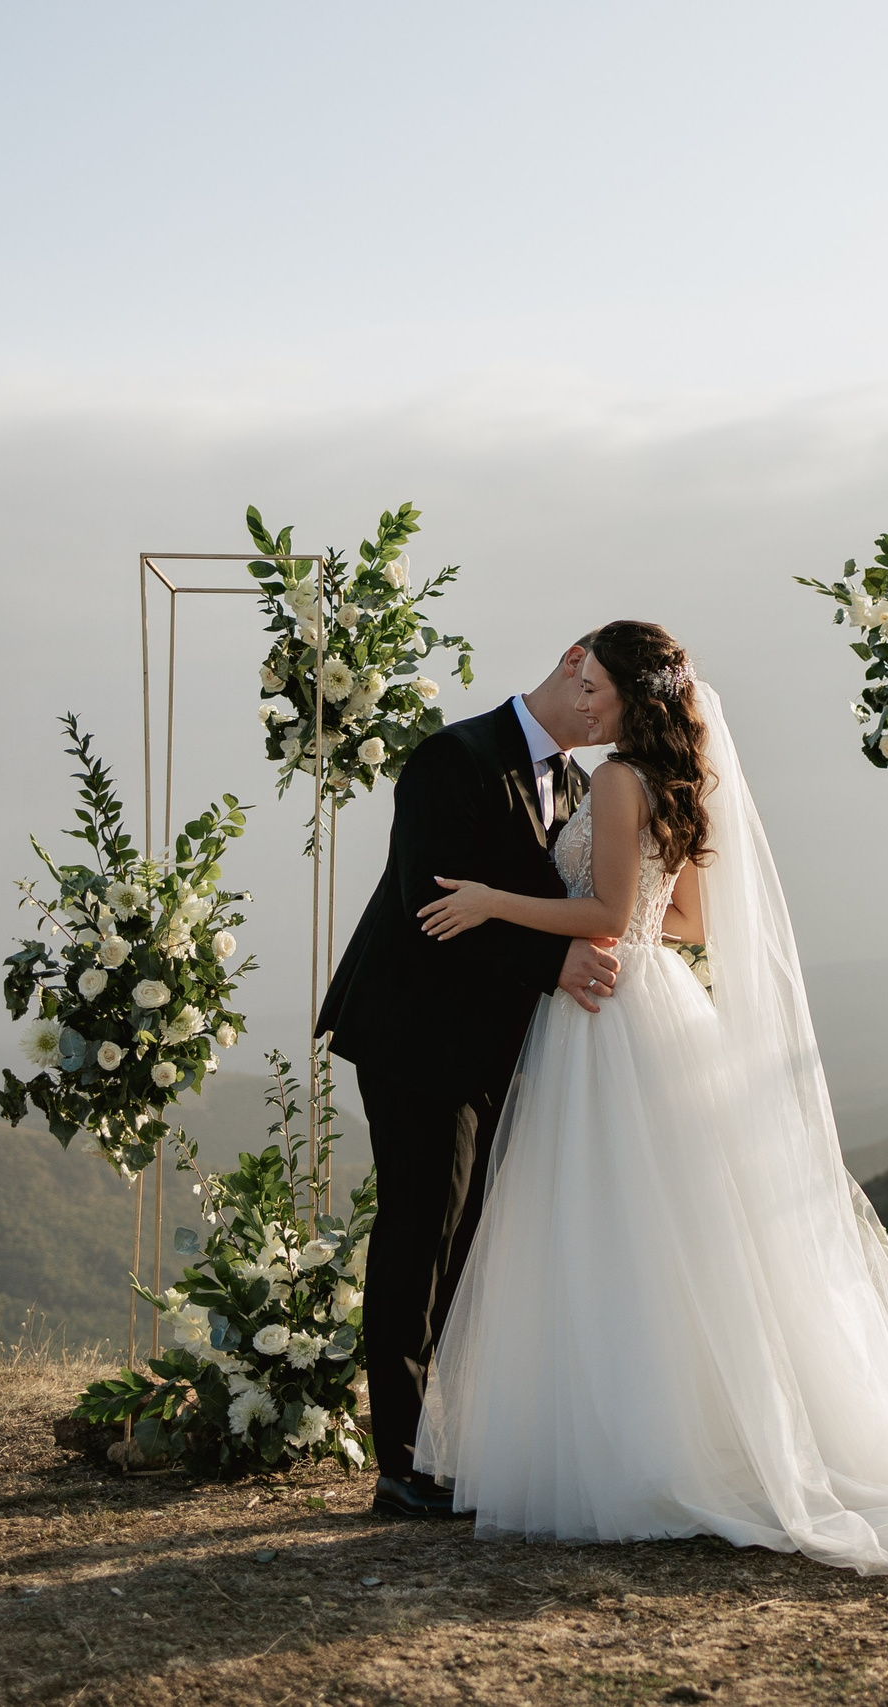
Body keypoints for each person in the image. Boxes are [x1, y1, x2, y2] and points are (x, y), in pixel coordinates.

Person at [407, 620, 888, 1574]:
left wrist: (495, 900)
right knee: (670, 1233)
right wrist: (627, 923)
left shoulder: (612, 780)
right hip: (659, 1002)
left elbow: (610, 915)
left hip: (607, 1016)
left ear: (626, 691)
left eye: (603, 688)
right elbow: (681, 916)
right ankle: (677, 1433)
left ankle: (630, 1444)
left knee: (606, 1226)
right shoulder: (663, 786)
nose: (590, 703)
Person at [317, 635, 623, 1519]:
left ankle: (461, 1446)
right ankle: (400, 1461)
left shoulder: (572, 784)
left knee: (472, 1242)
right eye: (604, 695)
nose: (607, 720)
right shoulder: (453, 756)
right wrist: (551, 965)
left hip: (495, 1048)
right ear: (573, 663)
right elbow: (427, 905)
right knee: (420, 1229)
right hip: (414, 1033)